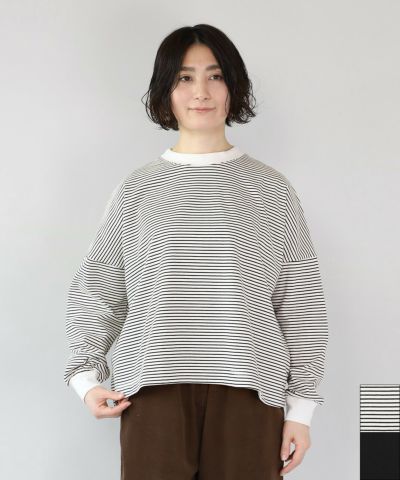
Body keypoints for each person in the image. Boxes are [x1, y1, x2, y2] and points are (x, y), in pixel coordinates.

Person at [63, 24, 329, 480]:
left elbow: (300, 300)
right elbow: (99, 287)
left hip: (251, 390)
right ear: (165, 91)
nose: (201, 91)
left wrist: (301, 409)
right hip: (152, 388)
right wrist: (85, 379)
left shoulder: (272, 190)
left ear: (233, 87)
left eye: (215, 76)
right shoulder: (137, 189)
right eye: (184, 77)